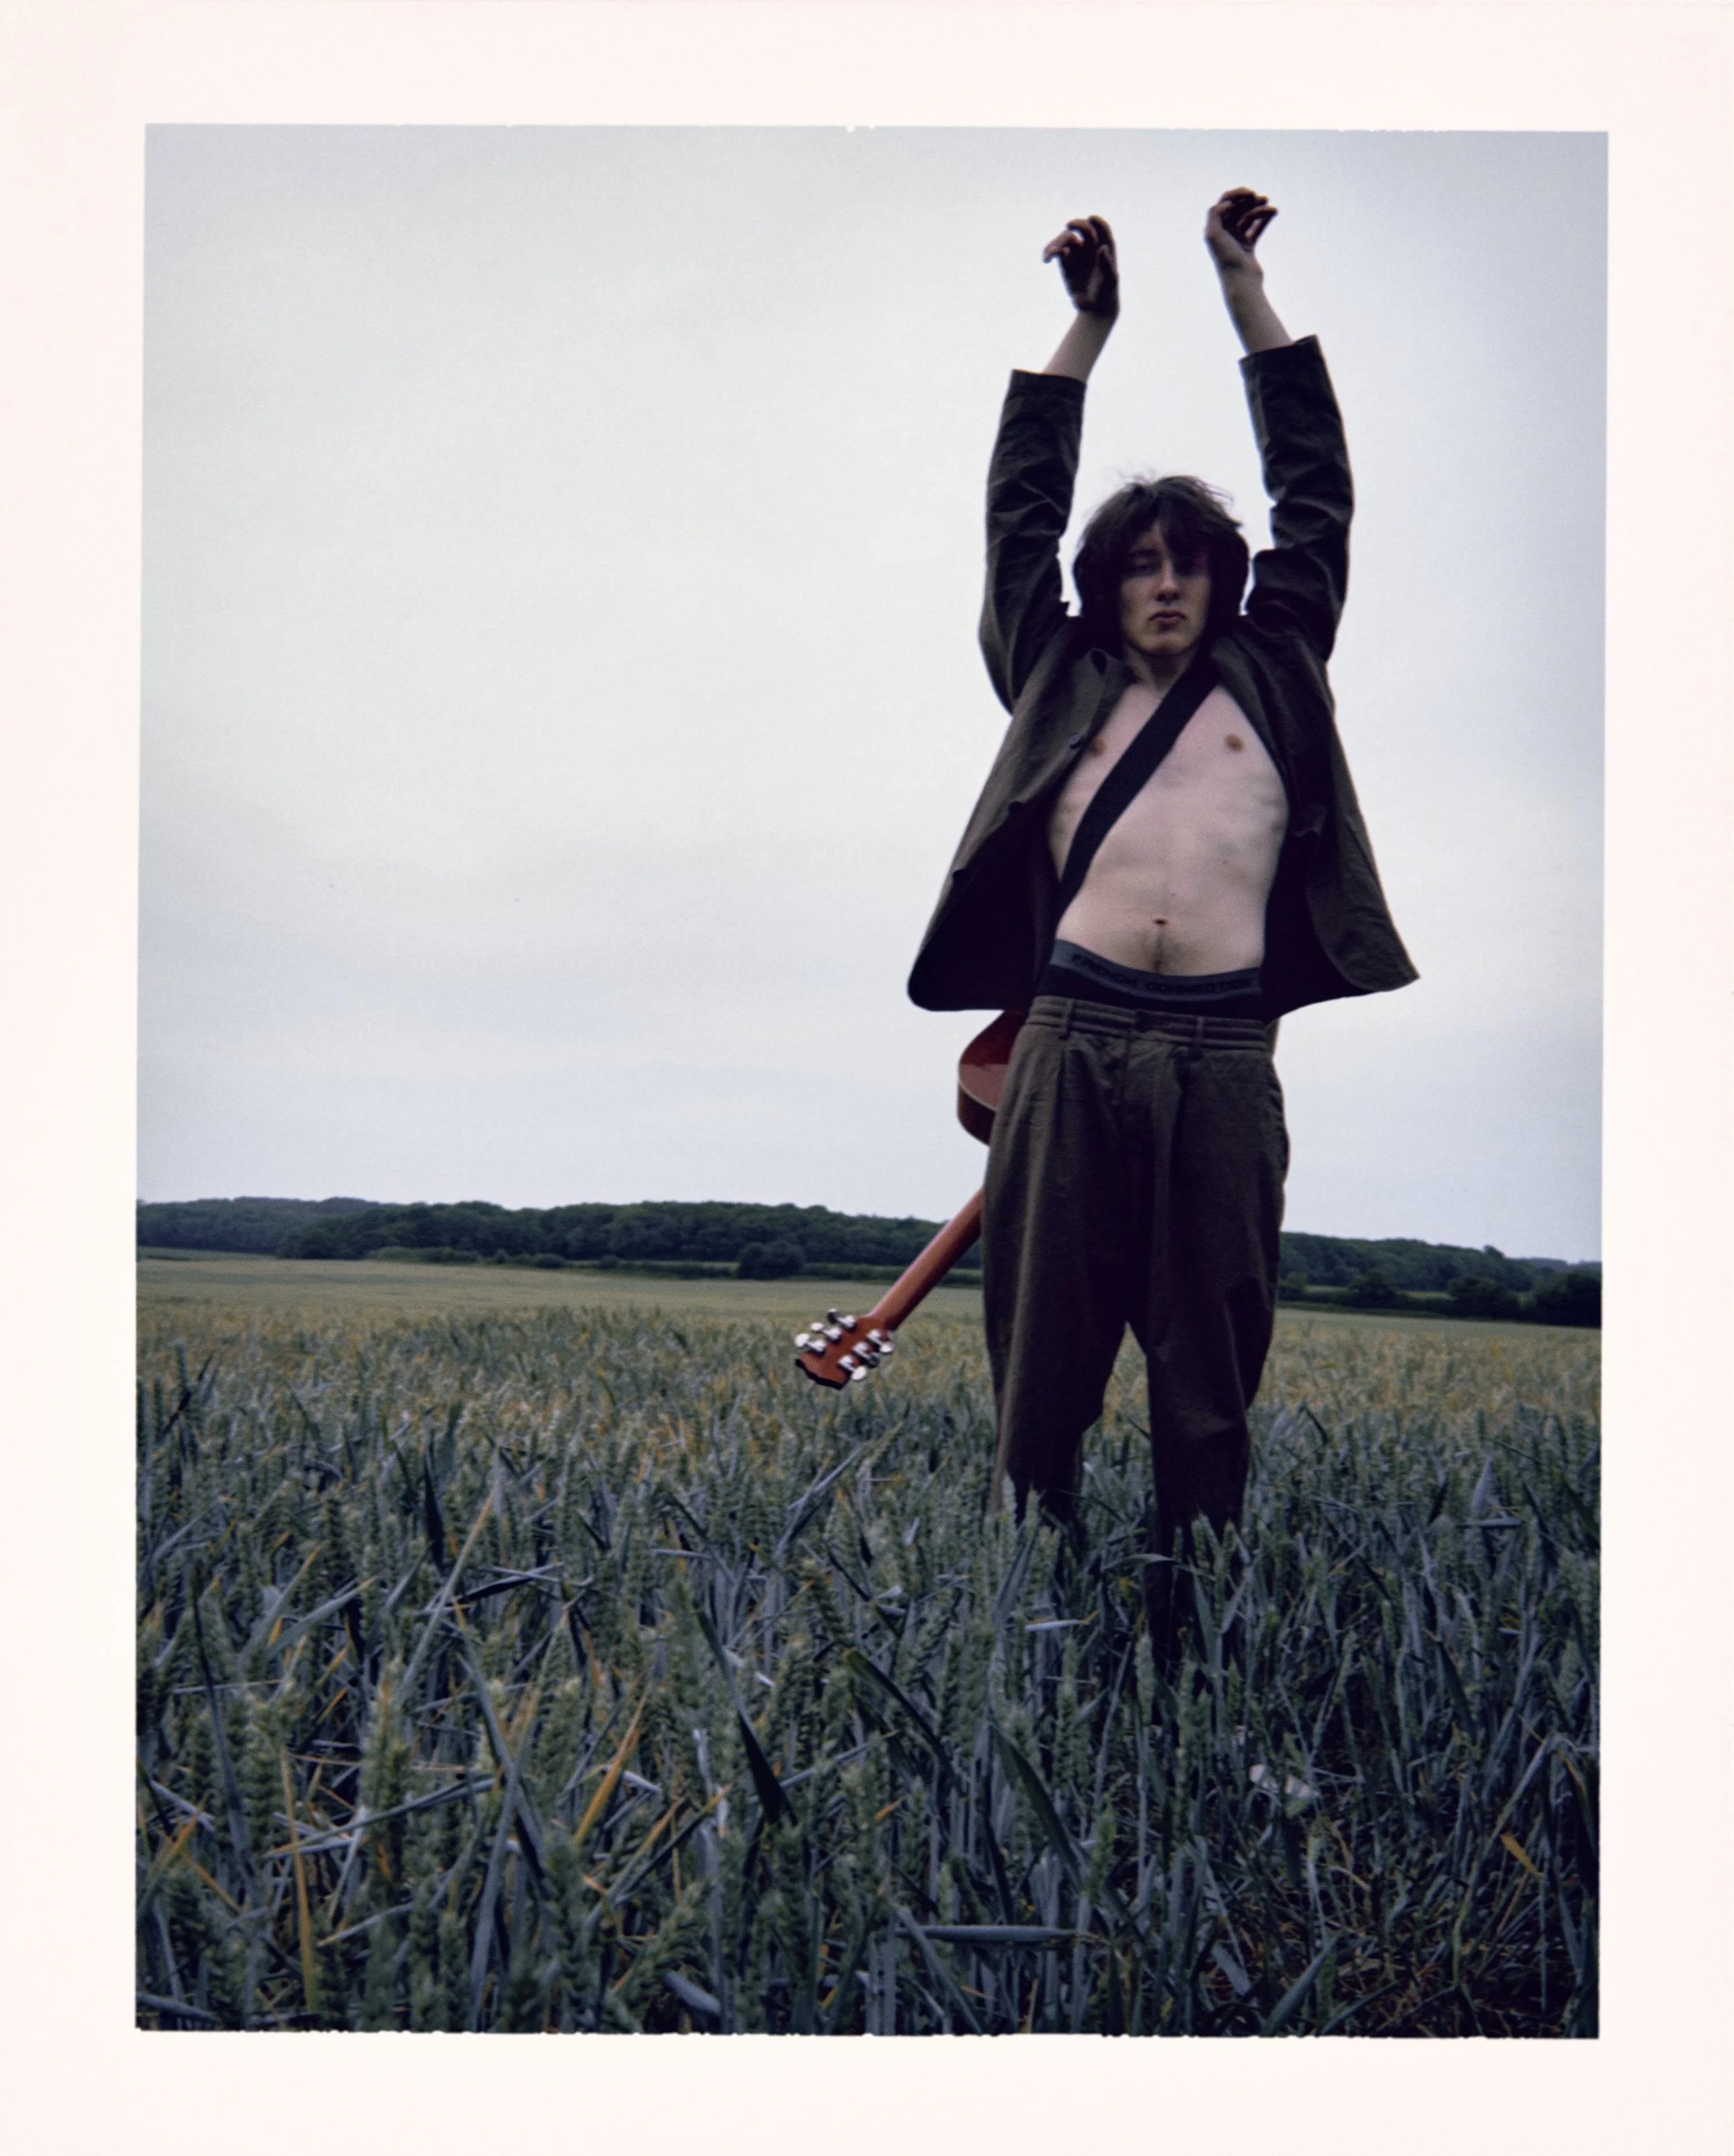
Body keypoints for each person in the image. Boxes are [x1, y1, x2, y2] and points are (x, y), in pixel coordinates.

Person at [906, 191, 1418, 1668]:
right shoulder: (1051, 677)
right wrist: (1088, 329)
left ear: (1225, 578)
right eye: (1137, 562)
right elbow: (1012, 510)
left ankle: (1190, 1646)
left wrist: (1243, 293)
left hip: (1220, 1057)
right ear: (1100, 583)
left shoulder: (1278, 671)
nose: (1165, 584)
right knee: (1041, 1369)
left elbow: (1317, 490)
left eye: (1188, 561)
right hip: (1070, 1039)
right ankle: (1032, 1629)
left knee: (1207, 1374)